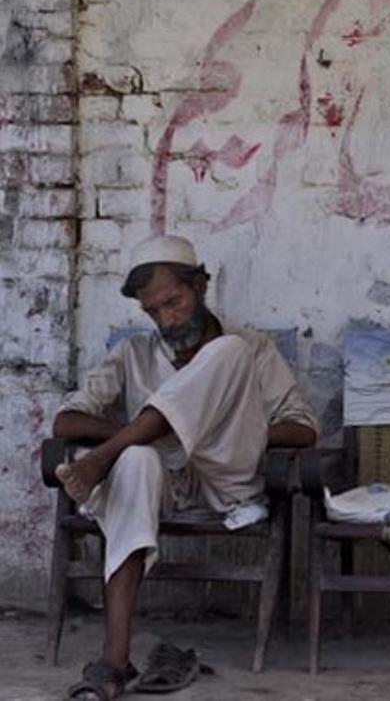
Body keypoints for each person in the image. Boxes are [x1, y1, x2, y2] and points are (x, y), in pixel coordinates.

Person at [52, 235, 318, 700]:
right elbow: (65, 419)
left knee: (226, 352)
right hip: (163, 482)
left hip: (228, 478)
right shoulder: (134, 353)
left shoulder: (250, 348)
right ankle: (114, 663)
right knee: (136, 457)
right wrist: (160, 431)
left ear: (201, 285)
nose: (167, 319)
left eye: (174, 302)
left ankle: (105, 456)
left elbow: (304, 429)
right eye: (153, 311)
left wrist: (240, 427)